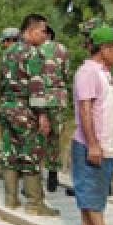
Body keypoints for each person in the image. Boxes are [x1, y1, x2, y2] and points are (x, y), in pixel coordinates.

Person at [71, 26, 113, 225]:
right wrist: (92, 144)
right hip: (91, 144)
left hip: (104, 143)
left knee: (97, 188)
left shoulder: (104, 71)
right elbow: (85, 110)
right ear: (104, 48)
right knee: (93, 189)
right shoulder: (88, 72)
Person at [0, 14, 60, 216]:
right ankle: (34, 204)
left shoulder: (8, 51)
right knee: (31, 153)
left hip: (6, 107)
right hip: (25, 109)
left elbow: (0, 83)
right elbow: (36, 86)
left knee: (9, 152)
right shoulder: (33, 53)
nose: (45, 35)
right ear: (31, 31)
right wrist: (42, 115)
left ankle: (11, 199)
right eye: (43, 31)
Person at [40, 26, 70, 192]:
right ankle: (53, 177)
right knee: (54, 138)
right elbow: (66, 73)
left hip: (40, 98)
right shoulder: (62, 49)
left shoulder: (34, 49)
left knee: (37, 137)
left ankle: (34, 177)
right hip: (58, 98)